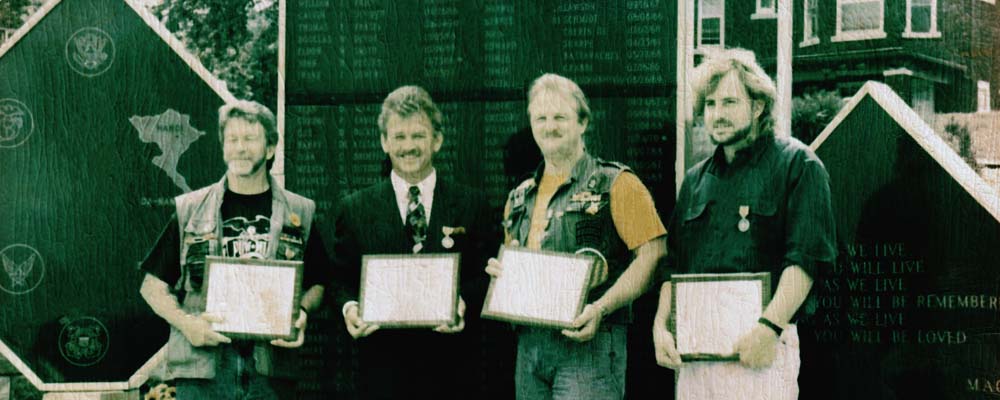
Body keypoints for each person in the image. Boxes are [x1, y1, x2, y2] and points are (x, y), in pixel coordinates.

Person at [652, 48, 836, 399]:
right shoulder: (694, 181)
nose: (717, 114)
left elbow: (807, 259)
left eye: (729, 102)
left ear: (757, 106)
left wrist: (769, 329)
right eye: (709, 104)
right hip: (696, 359)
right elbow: (673, 266)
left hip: (761, 351)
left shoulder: (798, 165)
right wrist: (661, 326)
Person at [485, 73, 667, 400]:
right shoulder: (519, 197)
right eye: (540, 118)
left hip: (590, 345)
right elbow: (515, 259)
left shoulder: (617, 184)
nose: (549, 126)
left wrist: (600, 308)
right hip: (530, 348)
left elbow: (653, 254)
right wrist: (503, 274)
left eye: (560, 117)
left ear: (582, 122)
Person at [139, 100, 328, 400]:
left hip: (269, 371)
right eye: (232, 139)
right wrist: (188, 325)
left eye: (250, 139)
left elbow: (318, 282)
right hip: (204, 372)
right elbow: (152, 288)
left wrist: (302, 311)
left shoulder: (300, 211)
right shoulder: (190, 209)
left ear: (269, 148)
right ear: (223, 147)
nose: (240, 148)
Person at [331, 85, 495, 399]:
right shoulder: (355, 208)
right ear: (384, 142)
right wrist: (350, 308)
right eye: (399, 137)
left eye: (418, 136)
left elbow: (487, 275)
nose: (409, 146)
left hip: (454, 372)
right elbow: (340, 279)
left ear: (437, 140)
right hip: (382, 373)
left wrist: (462, 303)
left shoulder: (472, 204)